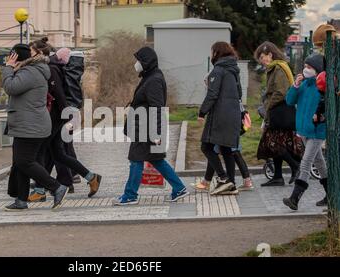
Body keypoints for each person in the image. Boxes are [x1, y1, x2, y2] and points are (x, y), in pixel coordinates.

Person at [27, 40, 102, 202]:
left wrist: (66, 116)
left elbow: (59, 94)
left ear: (40, 53)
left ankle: (40, 190)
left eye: (31, 52)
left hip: (55, 118)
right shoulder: (49, 67)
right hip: (57, 117)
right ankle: (91, 177)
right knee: (58, 153)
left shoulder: (51, 68)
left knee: (42, 152)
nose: (29, 55)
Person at [113, 46, 189, 205]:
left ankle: (130, 195)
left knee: (135, 160)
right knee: (157, 160)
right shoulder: (150, 76)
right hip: (144, 127)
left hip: (146, 129)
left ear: (146, 62)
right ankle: (179, 188)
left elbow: (157, 108)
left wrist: (156, 132)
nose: (136, 63)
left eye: (138, 60)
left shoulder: (154, 80)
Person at [3, 43, 68, 211]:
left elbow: (10, 88)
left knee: (24, 161)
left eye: (10, 56)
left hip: (30, 125)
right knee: (20, 163)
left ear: (15, 57)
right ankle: (21, 200)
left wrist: (8, 68)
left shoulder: (29, 72)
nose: (8, 59)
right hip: (28, 123)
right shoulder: (31, 71)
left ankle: (56, 187)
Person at [255, 42, 304, 187]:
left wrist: (268, 106)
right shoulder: (274, 68)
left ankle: (295, 166)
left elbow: (281, 92)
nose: (261, 61)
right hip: (278, 111)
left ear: (270, 54)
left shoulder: (278, 68)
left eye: (262, 57)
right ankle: (277, 176)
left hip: (279, 111)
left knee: (273, 143)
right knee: (276, 144)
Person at [283, 53, 328, 210]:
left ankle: (295, 198)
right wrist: (295, 85)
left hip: (316, 131)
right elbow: (289, 101)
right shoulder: (303, 85)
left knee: (306, 162)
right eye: (305, 66)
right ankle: (331, 194)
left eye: (309, 67)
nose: (306, 69)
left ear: (318, 70)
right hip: (303, 130)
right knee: (319, 162)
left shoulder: (321, 87)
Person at [198, 42, 242, 196]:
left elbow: (212, 94)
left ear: (217, 52)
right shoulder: (234, 70)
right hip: (233, 114)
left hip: (220, 115)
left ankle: (224, 178)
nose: (211, 55)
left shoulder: (218, 69)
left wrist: (202, 112)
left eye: (212, 52)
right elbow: (239, 94)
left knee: (206, 146)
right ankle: (232, 185)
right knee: (226, 148)